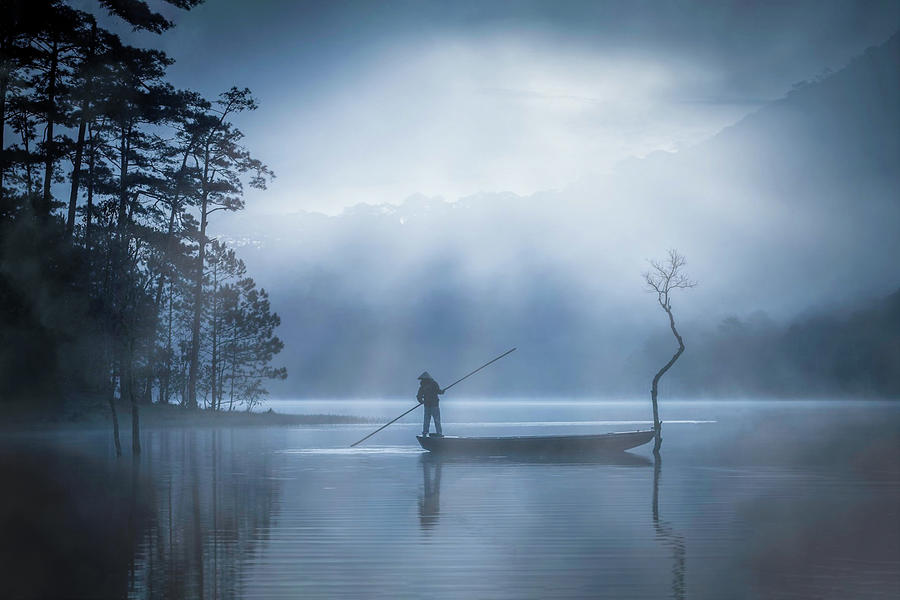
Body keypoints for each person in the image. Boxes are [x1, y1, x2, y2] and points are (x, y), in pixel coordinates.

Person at [417, 371, 444, 437]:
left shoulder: (429, 384)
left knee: (430, 420)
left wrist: (421, 401)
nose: (422, 380)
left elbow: (419, 396)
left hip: (432, 405)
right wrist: (421, 401)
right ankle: (435, 433)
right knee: (433, 420)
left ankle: (426, 433)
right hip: (430, 405)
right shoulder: (426, 385)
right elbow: (419, 396)